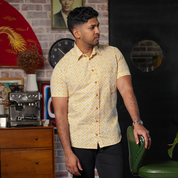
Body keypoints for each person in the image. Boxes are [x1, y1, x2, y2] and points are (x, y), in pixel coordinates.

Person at [51, 6, 151, 178]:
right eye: (92, 27)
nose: (98, 31)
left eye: (97, 25)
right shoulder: (62, 69)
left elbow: (126, 90)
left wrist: (137, 122)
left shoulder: (113, 54)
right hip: (79, 141)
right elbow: (60, 113)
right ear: (77, 33)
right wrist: (68, 152)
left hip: (110, 138)